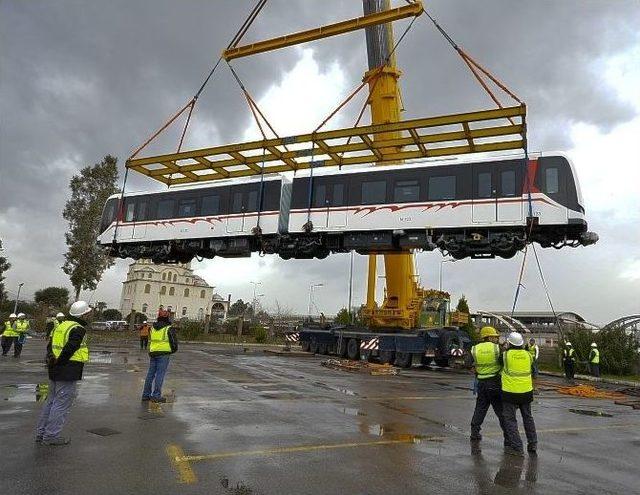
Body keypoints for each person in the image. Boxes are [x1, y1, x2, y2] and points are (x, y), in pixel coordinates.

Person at [36, 301, 91, 446]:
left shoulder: (61, 326)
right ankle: (51, 436)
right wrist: (61, 362)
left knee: (51, 402)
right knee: (61, 404)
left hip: (55, 368)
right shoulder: (78, 328)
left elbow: (50, 347)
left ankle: (41, 433)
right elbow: (70, 348)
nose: (89, 315)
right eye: (87, 313)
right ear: (83, 314)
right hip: (68, 369)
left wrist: (52, 361)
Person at [470, 326, 507, 448]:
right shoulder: (497, 348)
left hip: (481, 383)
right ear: (489, 337)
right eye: (495, 337)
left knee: (480, 409)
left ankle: (474, 433)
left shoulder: (475, 349)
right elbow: (504, 362)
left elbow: (468, 363)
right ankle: (508, 436)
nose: (497, 339)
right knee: (501, 411)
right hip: (495, 382)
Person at [501, 331, 537, 457]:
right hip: (526, 392)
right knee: (528, 418)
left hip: (510, 393)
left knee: (510, 420)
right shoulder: (528, 355)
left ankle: (517, 446)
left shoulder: (505, 355)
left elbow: (500, 361)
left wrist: (504, 348)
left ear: (509, 343)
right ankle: (533, 443)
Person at [142, 313, 178, 403]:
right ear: (167, 318)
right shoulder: (168, 328)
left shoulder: (152, 328)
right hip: (164, 354)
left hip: (153, 353)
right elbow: (174, 342)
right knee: (160, 375)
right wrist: (171, 351)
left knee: (150, 374)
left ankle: (146, 395)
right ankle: (156, 395)